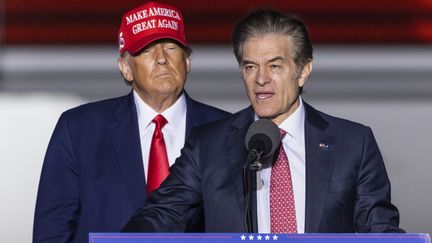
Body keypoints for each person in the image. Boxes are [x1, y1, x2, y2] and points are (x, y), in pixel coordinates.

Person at [122, 9, 404, 233]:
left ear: (303, 70)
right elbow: (161, 215)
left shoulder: (353, 143)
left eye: (275, 66)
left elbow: (378, 227)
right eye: (250, 67)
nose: (260, 79)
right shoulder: (208, 145)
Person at [33, 2, 230, 242]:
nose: (161, 59)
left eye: (171, 47)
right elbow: (53, 232)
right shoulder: (79, 130)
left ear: (187, 62)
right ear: (126, 68)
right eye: (146, 50)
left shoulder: (227, 131)